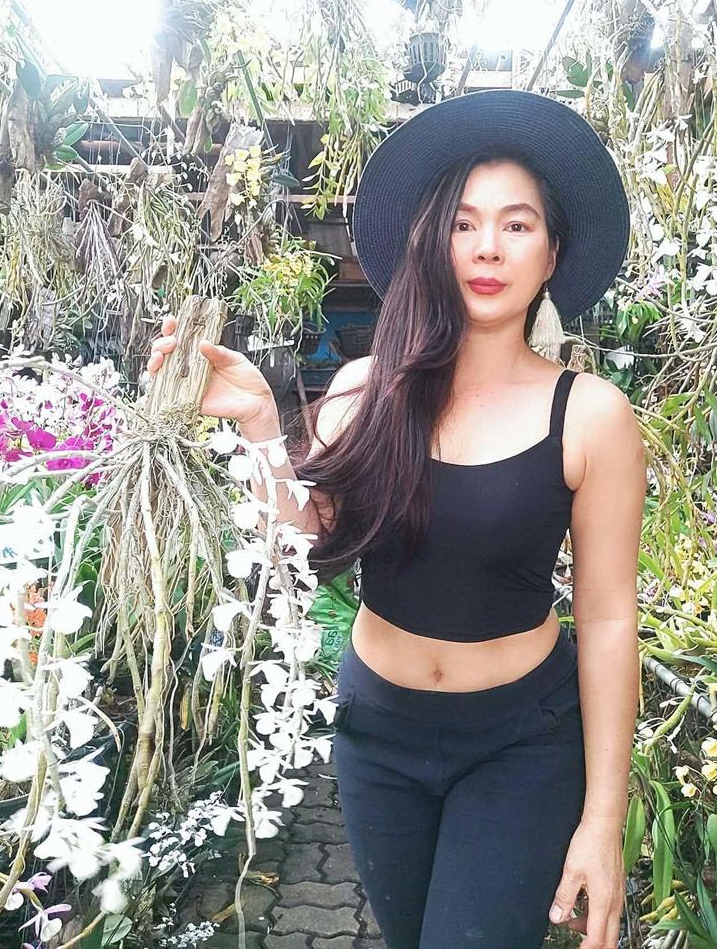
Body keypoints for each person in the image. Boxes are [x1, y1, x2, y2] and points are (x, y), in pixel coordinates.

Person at [148, 89, 647, 949]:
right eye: (462, 223)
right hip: (377, 733)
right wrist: (262, 425)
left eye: (516, 224)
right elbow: (306, 543)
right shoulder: (364, 389)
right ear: (430, 242)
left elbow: (606, 620)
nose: (486, 247)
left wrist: (601, 822)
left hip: (520, 741)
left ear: (552, 252)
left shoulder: (591, 415)